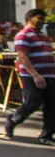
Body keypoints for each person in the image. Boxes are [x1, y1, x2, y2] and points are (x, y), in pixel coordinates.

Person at [6, 9, 55, 146]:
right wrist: (35, 75)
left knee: (51, 106)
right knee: (33, 101)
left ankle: (47, 135)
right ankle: (14, 119)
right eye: (39, 18)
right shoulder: (23, 35)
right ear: (30, 18)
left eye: (43, 18)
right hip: (32, 75)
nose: (42, 21)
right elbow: (23, 56)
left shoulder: (43, 36)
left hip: (49, 75)